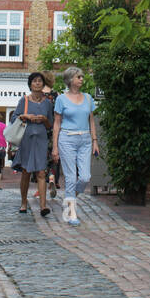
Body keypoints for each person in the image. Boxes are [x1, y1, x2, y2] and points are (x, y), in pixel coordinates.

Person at [50, 66, 99, 226]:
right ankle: (71, 213)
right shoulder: (61, 99)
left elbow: (91, 120)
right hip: (67, 139)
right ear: (70, 80)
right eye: (79, 77)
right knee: (70, 178)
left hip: (85, 139)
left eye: (82, 77)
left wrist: (94, 140)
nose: (82, 79)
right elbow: (57, 124)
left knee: (85, 177)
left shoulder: (88, 98)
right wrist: (55, 147)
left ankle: (69, 198)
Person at [11, 71, 54, 216]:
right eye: (34, 81)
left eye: (40, 81)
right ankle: (23, 202)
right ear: (30, 84)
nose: (37, 83)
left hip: (41, 139)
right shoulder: (24, 100)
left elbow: (50, 125)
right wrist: (25, 116)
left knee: (41, 172)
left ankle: (43, 206)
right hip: (26, 139)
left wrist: (43, 119)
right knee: (26, 171)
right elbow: (14, 119)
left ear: (43, 84)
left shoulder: (47, 102)